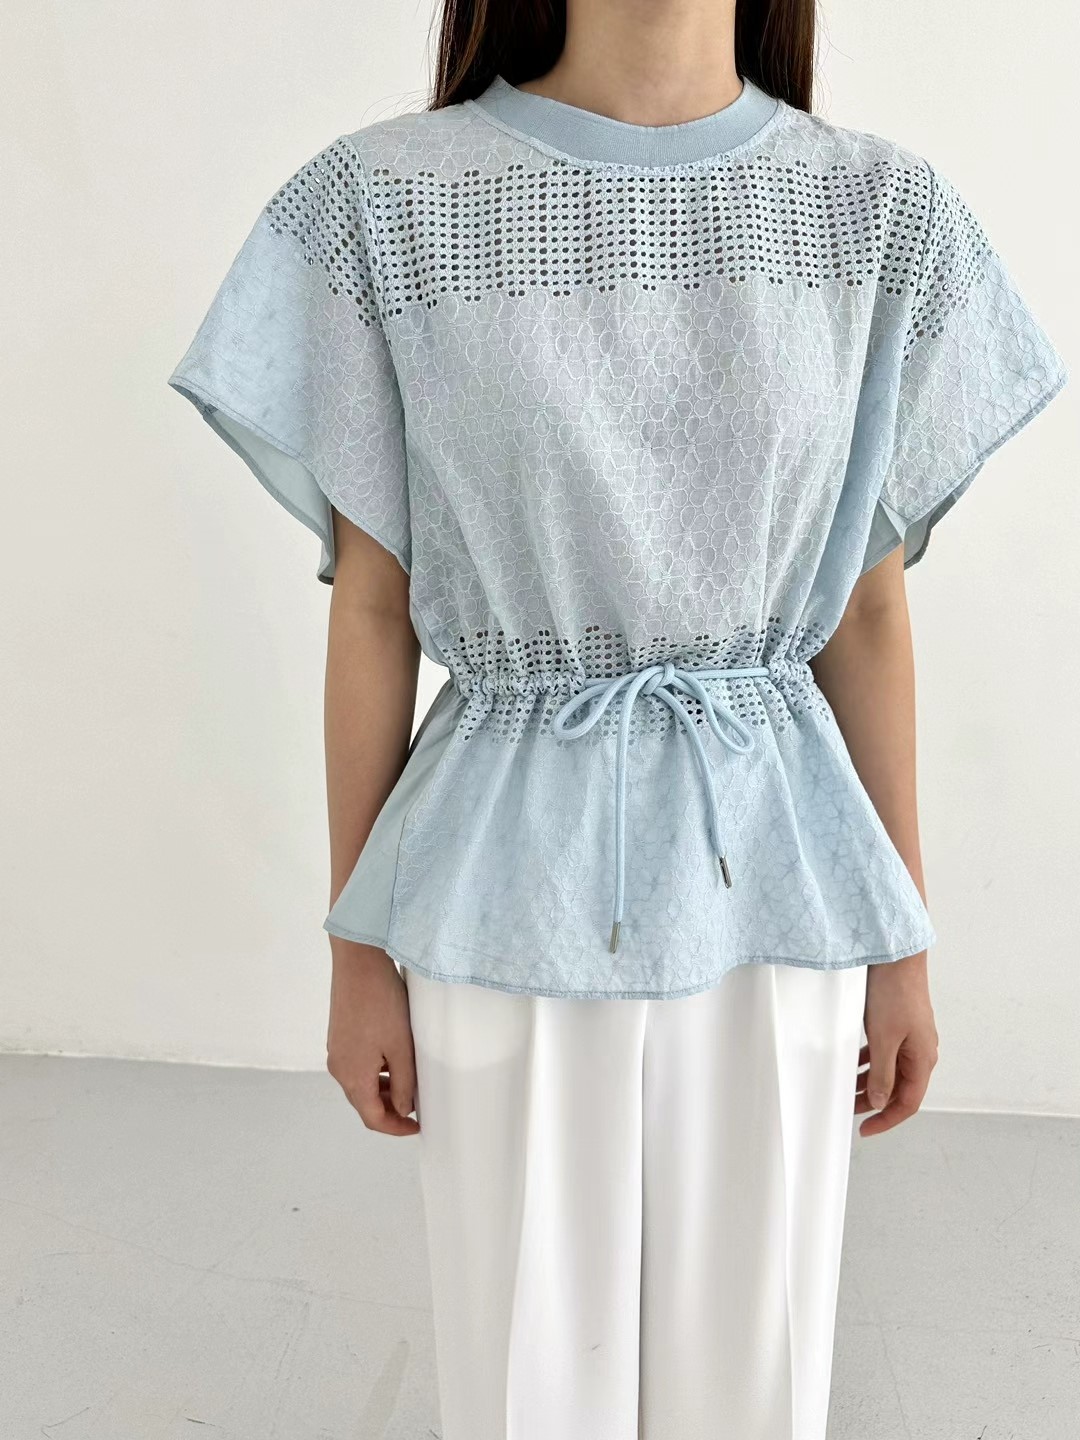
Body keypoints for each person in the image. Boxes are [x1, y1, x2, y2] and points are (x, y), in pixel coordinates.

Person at [167, 2, 1068, 1435]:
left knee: (756, 1377)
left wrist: (902, 937)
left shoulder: (879, 213)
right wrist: (355, 947)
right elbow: (374, 611)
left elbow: (868, 613)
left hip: (781, 873)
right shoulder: (381, 204)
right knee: (527, 1373)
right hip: (497, 881)